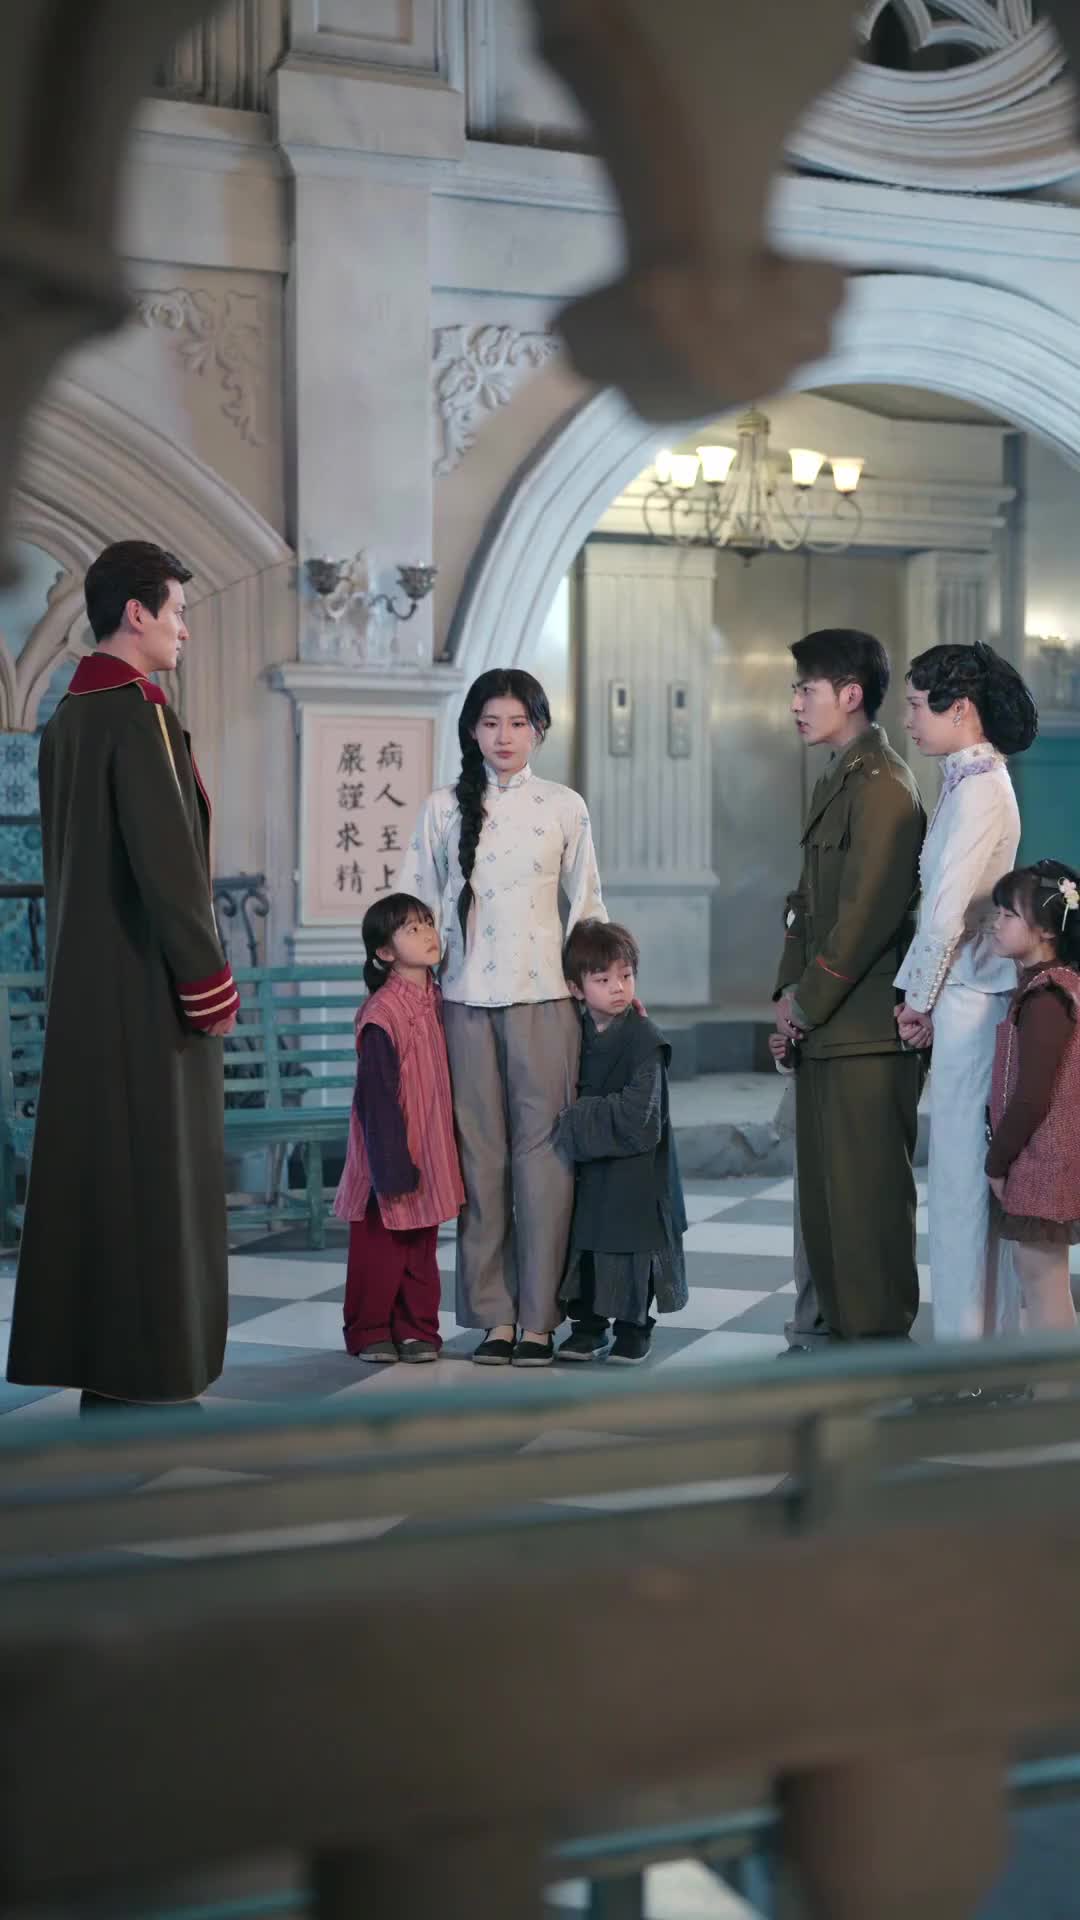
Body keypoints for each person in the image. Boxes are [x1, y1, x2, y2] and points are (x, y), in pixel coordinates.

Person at [6, 540, 239, 1412]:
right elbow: (170, 871)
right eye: (176, 611)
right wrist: (209, 984)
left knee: (102, 1173)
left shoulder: (70, 718)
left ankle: (102, 1356)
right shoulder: (136, 715)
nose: (184, 629)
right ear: (136, 613)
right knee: (156, 1177)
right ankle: (155, 1364)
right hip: (147, 990)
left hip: (86, 988)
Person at [398, 668, 605, 1367]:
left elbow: (587, 907)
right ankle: (495, 1317)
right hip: (460, 1005)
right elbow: (413, 909)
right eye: (490, 723)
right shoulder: (440, 809)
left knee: (543, 1162)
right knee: (480, 1162)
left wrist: (604, 988)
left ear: (539, 730)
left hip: (546, 1001)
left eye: (518, 723)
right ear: (471, 731)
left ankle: (541, 1319)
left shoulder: (564, 806)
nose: (504, 736)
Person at [773, 629, 926, 1343]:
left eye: (807, 689)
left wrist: (805, 1004)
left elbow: (865, 920)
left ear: (851, 694)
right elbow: (807, 904)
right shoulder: (838, 778)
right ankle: (838, 1340)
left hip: (863, 1031)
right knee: (828, 1204)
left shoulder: (884, 786)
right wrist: (787, 995)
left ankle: (875, 1351)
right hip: (826, 1028)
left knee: (867, 1206)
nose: (796, 704)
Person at [896, 642, 1039, 1344]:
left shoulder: (981, 787)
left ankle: (970, 1360)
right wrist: (923, 995)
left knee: (961, 1184)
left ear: (961, 710)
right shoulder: (968, 778)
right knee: (959, 1181)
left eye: (917, 707)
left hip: (972, 999)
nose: (908, 721)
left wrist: (916, 1000)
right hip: (961, 993)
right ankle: (976, 1349)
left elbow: (947, 910)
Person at [334, 893, 464, 1365]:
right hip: (388, 1153)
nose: (428, 933)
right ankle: (370, 1329)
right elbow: (376, 1098)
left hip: (428, 1146)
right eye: (412, 929)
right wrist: (390, 1163)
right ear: (384, 952)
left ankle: (417, 1329)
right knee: (380, 1246)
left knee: (420, 1244)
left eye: (428, 923)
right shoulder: (383, 1013)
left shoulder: (439, 999)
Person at [554, 920, 687, 1365]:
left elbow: (638, 1118)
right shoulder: (572, 1034)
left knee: (633, 1248)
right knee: (586, 1242)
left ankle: (634, 1327)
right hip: (591, 1167)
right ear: (576, 988)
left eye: (626, 976)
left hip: (638, 1170)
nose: (618, 988)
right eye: (603, 979)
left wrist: (573, 1118)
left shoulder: (645, 1038)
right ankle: (588, 1327)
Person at [985, 862, 1080, 1334]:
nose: (996, 924)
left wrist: (996, 1160)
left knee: (1042, 1280)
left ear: (1046, 930)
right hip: (1044, 1158)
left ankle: (1058, 1378)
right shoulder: (1051, 986)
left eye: (1008, 915)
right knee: (1040, 1275)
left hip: (1044, 1160)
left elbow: (1031, 1098)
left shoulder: (1047, 998)